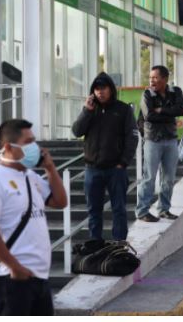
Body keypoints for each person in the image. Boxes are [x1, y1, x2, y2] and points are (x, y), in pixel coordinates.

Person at [0, 119, 67, 316]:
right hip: (12, 279)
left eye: (34, 141)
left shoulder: (29, 176)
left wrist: (50, 168)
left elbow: (60, 201)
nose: (35, 147)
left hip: (39, 276)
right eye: (28, 142)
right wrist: (15, 268)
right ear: (8, 147)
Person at [71, 72, 138, 242]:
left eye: (104, 88)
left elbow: (132, 138)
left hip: (116, 169)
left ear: (111, 90)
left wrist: (123, 163)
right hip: (92, 169)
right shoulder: (89, 110)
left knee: (119, 209)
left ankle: (119, 243)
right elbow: (77, 131)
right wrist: (87, 111)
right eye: (97, 89)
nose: (100, 92)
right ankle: (95, 243)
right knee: (94, 211)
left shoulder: (123, 110)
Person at [136, 66, 183, 222]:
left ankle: (164, 209)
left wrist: (161, 110)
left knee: (169, 177)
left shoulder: (175, 91)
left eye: (155, 78)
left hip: (171, 139)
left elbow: (181, 110)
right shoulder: (147, 94)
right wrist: (169, 112)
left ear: (165, 79)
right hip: (152, 140)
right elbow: (149, 116)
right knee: (149, 176)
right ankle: (143, 211)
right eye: (150, 77)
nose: (152, 80)